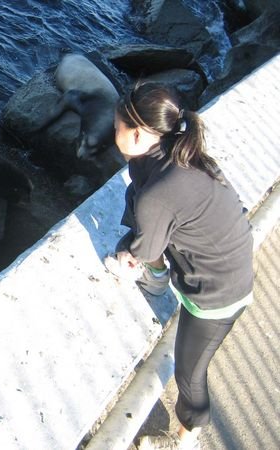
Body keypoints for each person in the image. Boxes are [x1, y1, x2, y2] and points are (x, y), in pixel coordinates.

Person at [104, 83, 254, 449]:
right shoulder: (176, 151)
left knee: (190, 374)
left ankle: (186, 442)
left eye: (116, 128)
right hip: (223, 258)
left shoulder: (158, 194)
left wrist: (131, 257)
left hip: (216, 294)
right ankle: (158, 278)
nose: (113, 133)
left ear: (137, 134)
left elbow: (148, 242)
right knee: (136, 196)